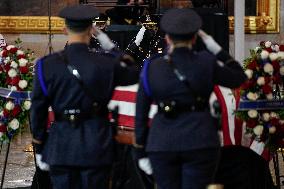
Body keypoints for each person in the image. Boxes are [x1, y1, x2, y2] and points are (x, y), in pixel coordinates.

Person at [133, 8, 247, 189]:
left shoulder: (152, 67)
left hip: (162, 143)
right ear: (195, 38)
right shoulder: (206, 62)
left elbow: (141, 112)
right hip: (200, 140)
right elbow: (239, 78)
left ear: (167, 38)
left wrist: (140, 151)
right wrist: (217, 49)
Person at [31, 5, 140, 189]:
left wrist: (40, 147)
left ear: (64, 29)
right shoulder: (106, 63)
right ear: (92, 30)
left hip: (61, 146)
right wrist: (111, 46)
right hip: (96, 144)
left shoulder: (46, 65)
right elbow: (133, 72)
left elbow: (38, 110)